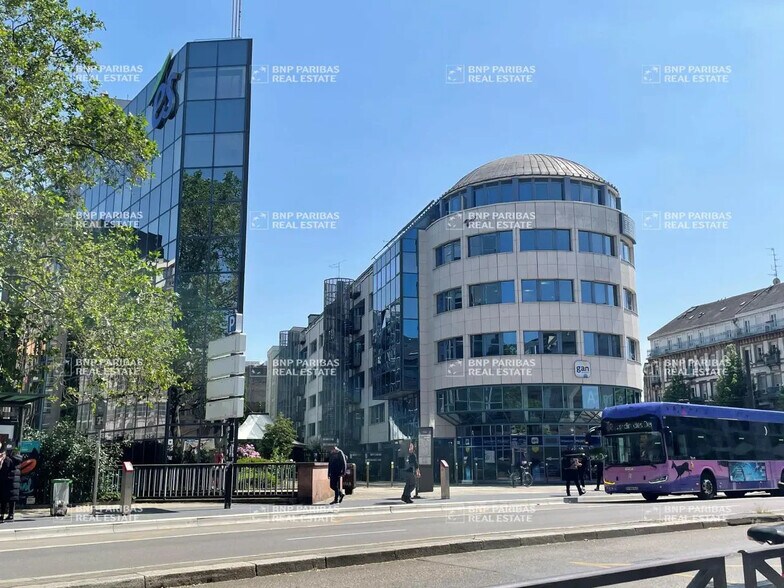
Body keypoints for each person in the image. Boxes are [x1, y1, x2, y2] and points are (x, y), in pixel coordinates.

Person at [0, 444, 22, 522]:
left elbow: (4, 471)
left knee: (3, 499)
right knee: (12, 500)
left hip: (6, 482)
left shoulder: (7, 460)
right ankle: (11, 515)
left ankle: (1, 515)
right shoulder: (17, 460)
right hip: (14, 483)